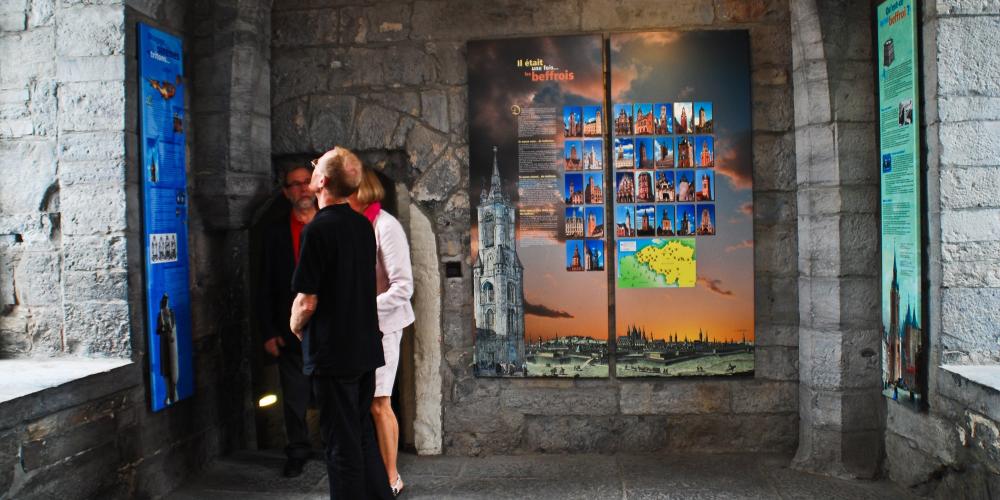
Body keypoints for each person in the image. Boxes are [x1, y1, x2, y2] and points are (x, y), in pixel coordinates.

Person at [290, 147, 392, 500]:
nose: (313, 167)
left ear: (323, 181)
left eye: (317, 165)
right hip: (364, 349)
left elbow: (307, 299)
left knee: (339, 445)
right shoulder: (363, 226)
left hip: (334, 353)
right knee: (361, 434)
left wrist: (295, 323)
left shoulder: (317, 231)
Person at [348, 168, 414, 497]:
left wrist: (362, 310)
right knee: (366, 403)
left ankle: (392, 477)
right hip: (362, 327)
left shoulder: (386, 226)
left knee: (379, 403)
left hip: (385, 327)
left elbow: (403, 288)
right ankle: (374, 473)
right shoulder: (358, 225)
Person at [257, 163, 318, 478]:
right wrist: (268, 331)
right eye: (294, 185)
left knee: (334, 392)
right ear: (286, 192)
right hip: (288, 330)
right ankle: (297, 450)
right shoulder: (276, 232)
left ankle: (339, 449)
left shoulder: (331, 223)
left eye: (307, 182)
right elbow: (264, 284)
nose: (302, 189)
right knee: (293, 397)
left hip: (329, 329)